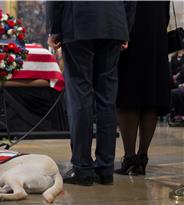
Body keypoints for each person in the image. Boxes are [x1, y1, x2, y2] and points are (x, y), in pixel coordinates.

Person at [47, 1, 136, 186]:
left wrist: (54, 28)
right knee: (107, 98)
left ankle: (82, 168)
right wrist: (125, 27)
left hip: (78, 22)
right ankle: (105, 169)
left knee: (79, 95)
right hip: (114, 24)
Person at [115, 2, 170, 175]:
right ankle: (142, 156)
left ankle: (130, 157)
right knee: (150, 97)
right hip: (157, 36)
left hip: (132, 32)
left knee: (128, 95)